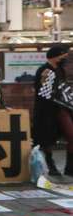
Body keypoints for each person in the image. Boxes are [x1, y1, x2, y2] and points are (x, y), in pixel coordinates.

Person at [33, 45, 72, 176]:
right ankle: (51, 165)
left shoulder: (60, 70)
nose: (65, 59)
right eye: (63, 57)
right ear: (54, 57)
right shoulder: (45, 71)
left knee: (70, 135)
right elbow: (45, 94)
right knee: (47, 139)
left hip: (61, 108)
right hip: (47, 110)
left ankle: (69, 168)